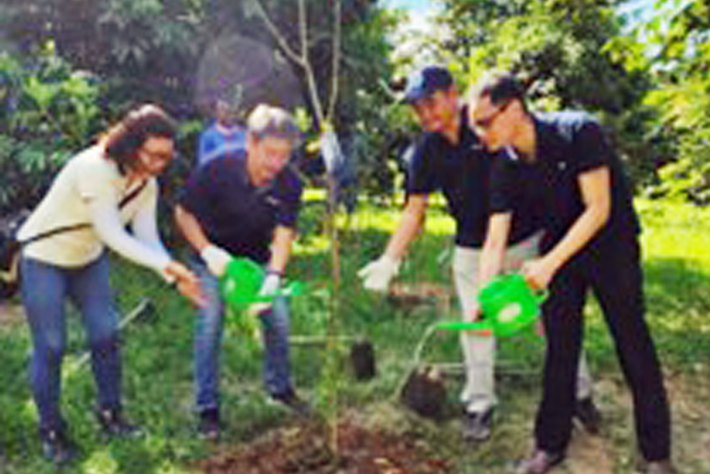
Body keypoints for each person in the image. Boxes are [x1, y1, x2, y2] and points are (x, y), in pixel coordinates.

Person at [357, 65, 599, 442]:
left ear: (454, 94)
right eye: (417, 109)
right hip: (471, 249)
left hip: (525, 240)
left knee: (551, 321)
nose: (425, 115)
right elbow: (414, 209)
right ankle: (479, 404)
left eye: (431, 103)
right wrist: (390, 259)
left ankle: (580, 394)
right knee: (477, 327)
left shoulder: (488, 123)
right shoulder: (426, 151)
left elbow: (521, 186)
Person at [468, 72, 678, 474]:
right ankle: (549, 447)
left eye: (484, 121)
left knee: (633, 344)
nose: (479, 133)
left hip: (610, 247)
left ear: (513, 108)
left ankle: (656, 455)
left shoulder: (579, 131)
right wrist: (484, 298)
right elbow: (495, 239)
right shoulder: (504, 167)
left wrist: (547, 264)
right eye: (474, 125)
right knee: (560, 351)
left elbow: (598, 209)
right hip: (559, 257)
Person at [17, 104, 203, 464]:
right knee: (52, 346)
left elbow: (147, 237)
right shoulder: (94, 168)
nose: (160, 164)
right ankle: (52, 432)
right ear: (132, 145)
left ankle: (111, 415)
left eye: (167, 156)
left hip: (86, 261)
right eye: (154, 155)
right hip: (44, 258)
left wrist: (171, 276)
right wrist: (169, 265)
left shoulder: (146, 183)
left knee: (106, 335)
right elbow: (112, 234)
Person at [174, 104, 308, 441]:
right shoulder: (217, 169)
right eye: (269, 154)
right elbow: (183, 213)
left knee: (277, 318)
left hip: (256, 261)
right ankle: (208, 409)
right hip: (212, 259)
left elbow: (284, 232)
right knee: (211, 322)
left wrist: (274, 276)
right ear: (250, 142)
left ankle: (280, 389)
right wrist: (206, 251)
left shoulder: (289, 181)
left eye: (284, 156)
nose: (276, 164)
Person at [196, 98, 247, 166]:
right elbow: (202, 162)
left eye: (229, 110)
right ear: (215, 113)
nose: (227, 112)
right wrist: (221, 152)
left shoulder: (242, 133)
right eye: (222, 109)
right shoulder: (208, 136)